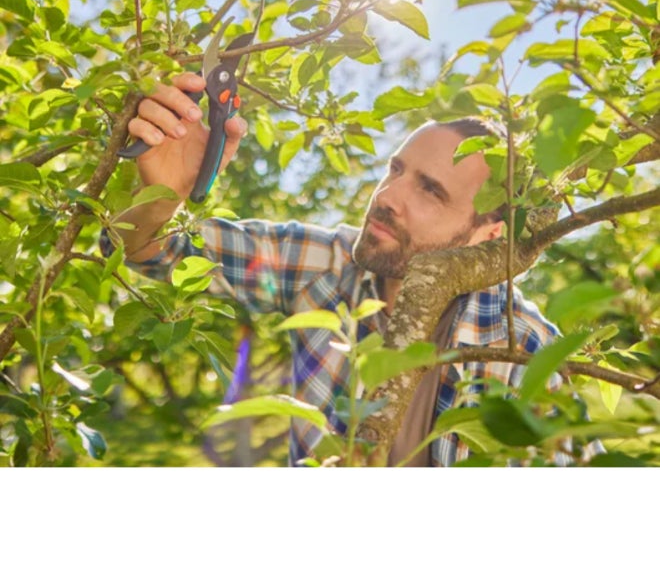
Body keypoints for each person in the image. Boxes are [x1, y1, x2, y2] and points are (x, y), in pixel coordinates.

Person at [107, 71, 563, 467]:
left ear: (489, 234)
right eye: (395, 170)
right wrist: (163, 197)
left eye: (430, 191)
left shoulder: (525, 349)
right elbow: (154, 251)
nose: (386, 196)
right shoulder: (326, 264)